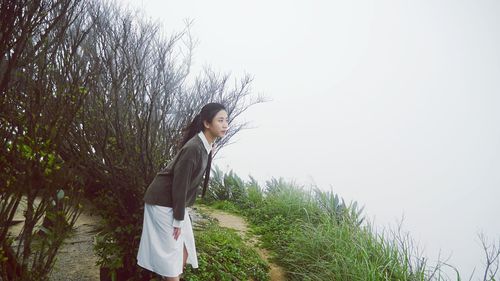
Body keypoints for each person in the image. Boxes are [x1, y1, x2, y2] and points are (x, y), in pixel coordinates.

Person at [137, 103, 229, 281]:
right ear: (207, 123)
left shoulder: (205, 145)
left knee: (185, 249)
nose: (225, 125)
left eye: (226, 120)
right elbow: (179, 185)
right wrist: (178, 219)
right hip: (162, 202)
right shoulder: (193, 148)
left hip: (173, 202)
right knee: (172, 256)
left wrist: (210, 149)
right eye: (220, 120)